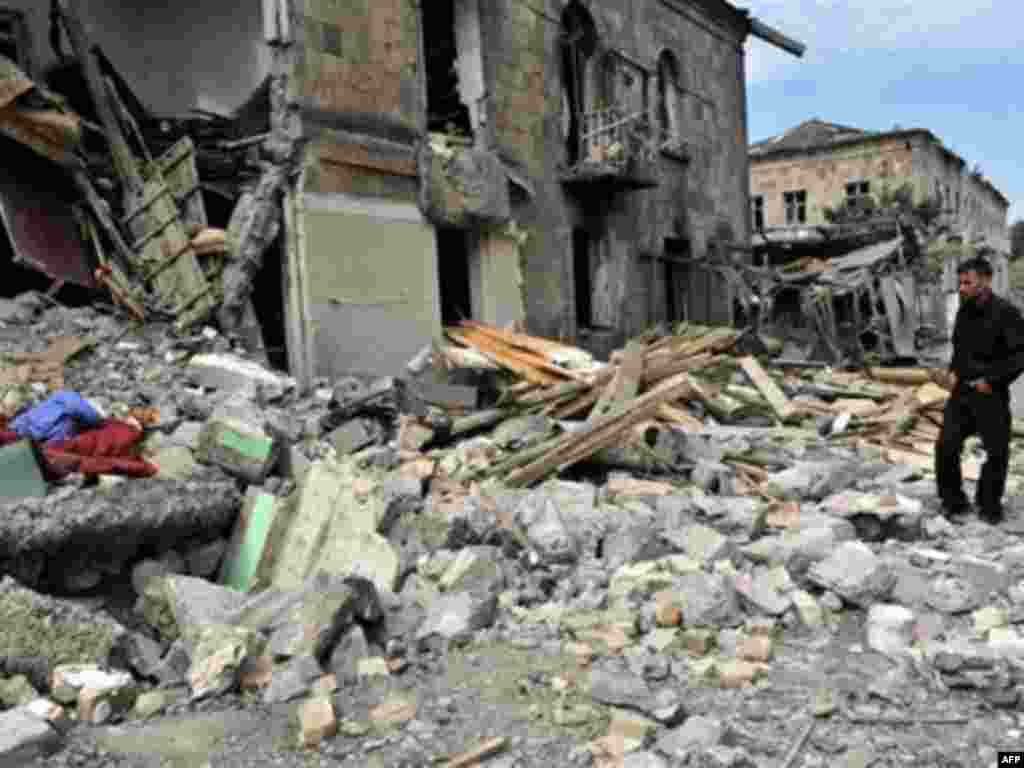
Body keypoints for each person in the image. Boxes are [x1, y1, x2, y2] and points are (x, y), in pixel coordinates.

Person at [935, 257, 1024, 524]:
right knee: (946, 446)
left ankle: (989, 506)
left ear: (985, 281)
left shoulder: (1007, 313)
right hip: (962, 393)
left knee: (996, 453)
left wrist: (993, 381)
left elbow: (1019, 357)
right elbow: (959, 349)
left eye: (967, 282)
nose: (961, 288)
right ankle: (953, 502)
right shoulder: (964, 311)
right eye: (960, 282)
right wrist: (952, 372)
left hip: (991, 394)